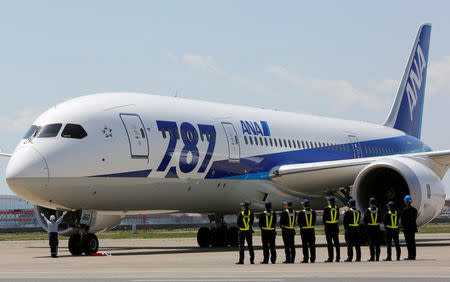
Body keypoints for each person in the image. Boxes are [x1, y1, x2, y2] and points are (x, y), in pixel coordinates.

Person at [297, 199, 316, 263]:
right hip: (311, 230)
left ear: (304, 205)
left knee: (305, 245)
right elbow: (314, 220)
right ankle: (313, 258)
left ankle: (306, 259)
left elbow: (299, 222)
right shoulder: (313, 212)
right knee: (312, 245)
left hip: (304, 230)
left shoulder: (301, 212)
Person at [323, 195, 340, 262]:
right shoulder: (337, 207)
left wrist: (326, 226)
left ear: (329, 201)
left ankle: (330, 257)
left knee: (329, 243)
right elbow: (338, 217)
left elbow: (324, 219)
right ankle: (338, 257)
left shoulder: (326, 208)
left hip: (329, 227)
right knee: (337, 243)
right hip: (335, 226)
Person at [363, 197, 381, 261]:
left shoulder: (368, 209)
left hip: (370, 228)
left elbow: (365, 219)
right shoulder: (378, 209)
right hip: (377, 227)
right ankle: (377, 257)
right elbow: (381, 218)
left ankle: (372, 257)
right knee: (377, 243)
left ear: (370, 203)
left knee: (371, 243)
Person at [401, 195, 418, 260]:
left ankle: (410, 256)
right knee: (413, 242)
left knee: (408, 243)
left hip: (407, 229)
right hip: (412, 228)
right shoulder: (414, 210)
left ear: (405, 201)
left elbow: (403, 220)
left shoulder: (404, 210)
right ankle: (413, 256)